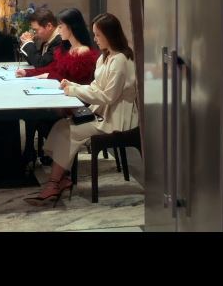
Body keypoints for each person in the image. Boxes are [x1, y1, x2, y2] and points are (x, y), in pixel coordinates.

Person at [25, 13, 139, 206]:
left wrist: (74, 91)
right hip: (103, 113)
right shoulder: (106, 57)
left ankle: (54, 183)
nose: (95, 39)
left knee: (70, 131)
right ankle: (62, 178)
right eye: (94, 34)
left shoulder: (120, 59)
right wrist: (73, 85)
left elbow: (108, 96)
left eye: (98, 35)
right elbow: (96, 87)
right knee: (61, 126)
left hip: (117, 119)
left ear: (110, 35)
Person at [16, 7, 63, 166]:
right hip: (50, 85)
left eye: (37, 30)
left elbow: (41, 63)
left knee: (32, 111)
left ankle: (31, 150)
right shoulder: (48, 40)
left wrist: (29, 44)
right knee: (31, 109)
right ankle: (30, 150)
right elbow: (37, 62)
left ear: (49, 26)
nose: (35, 34)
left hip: (61, 91)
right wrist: (27, 45)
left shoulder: (59, 41)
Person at [17, 8, 99, 85]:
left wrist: (49, 75)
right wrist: (27, 72)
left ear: (71, 27)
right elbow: (52, 68)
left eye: (60, 27)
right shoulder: (67, 48)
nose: (58, 31)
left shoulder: (83, 51)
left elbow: (75, 81)